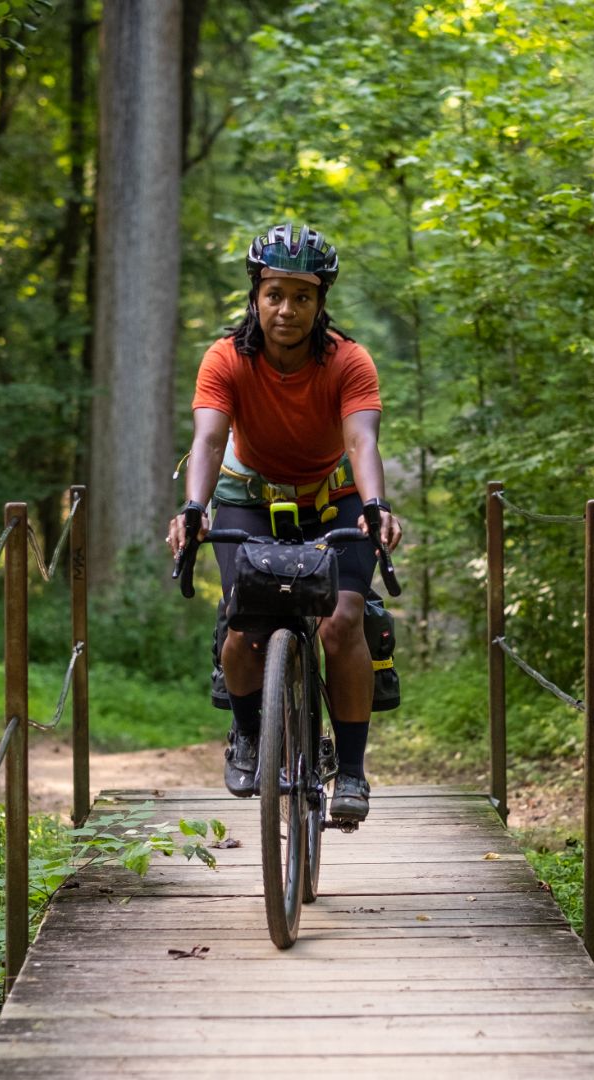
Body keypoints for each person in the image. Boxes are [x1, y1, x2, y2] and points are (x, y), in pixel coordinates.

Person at [165, 223, 402, 823]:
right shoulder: (225, 359)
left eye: (302, 296)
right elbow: (210, 437)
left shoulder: (349, 360)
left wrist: (375, 505)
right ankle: (247, 733)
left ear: (322, 301)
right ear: (255, 295)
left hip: (335, 497)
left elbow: (361, 439)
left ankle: (350, 771)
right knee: (246, 625)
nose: (286, 309)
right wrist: (194, 509)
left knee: (342, 621)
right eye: (275, 294)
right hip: (249, 494)